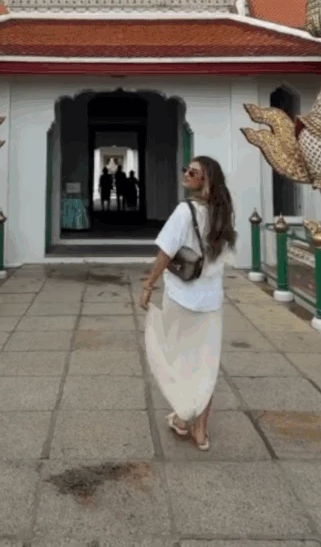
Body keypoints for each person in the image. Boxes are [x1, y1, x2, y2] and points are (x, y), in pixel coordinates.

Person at [140, 155, 236, 451]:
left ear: (205, 180)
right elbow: (226, 256)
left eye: (192, 172)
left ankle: (183, 418)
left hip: (182, 296)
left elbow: (165, 253)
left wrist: (148, 284)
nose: (186, 174)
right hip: (210, 299)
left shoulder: (185, 211)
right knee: (206, 363)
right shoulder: (223, 213)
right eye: (186, 169)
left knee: (179, 359)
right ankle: (199, 430)